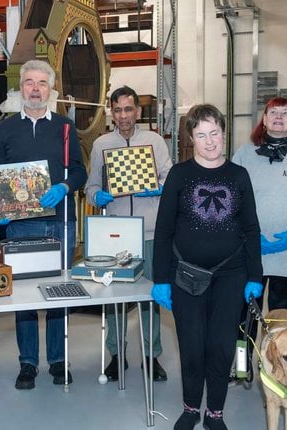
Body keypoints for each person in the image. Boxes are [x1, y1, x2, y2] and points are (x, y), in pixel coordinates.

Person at [152, 104, 263, 430]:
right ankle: (190, 409)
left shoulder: (238, 175)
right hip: (186, 275)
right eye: (201, 135)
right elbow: (164, 229)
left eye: (215, 132)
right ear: (191, 138)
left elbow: (251, 229)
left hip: (231, 275)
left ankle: (215, 412)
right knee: (192, 345)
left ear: (224, 133)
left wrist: (254, 274)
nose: (210, 141)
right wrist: (161, 278)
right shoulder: (180, 175)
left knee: (221, 346)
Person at [0, 59, 87, 390]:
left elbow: (79, 170)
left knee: (60, 294)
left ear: (51, 89)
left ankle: (59, 361)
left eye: (42, 83)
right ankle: (28, 363)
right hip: (21, 225)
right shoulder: (4, 129)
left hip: (60, 222)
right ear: (21, 88)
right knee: (25, 298)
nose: (35, 89)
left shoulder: (64, 127)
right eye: (29, 83)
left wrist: (64, 187)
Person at [84, 85, 172, 382]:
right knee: (115, 298)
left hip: (150, 232)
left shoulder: (155, 141)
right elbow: (91, 186)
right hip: (118, 235)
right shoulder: (101, 145)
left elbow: (170, 177)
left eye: (129, 109)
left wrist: (161, 187)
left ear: (138, 111)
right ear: (112, 111)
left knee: (152, 296)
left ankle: (151, 356)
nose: (124, 115)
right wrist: (98, 198)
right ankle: (116, 355)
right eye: (118, 109)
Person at [231, 97, 287, 312]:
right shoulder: (244, 154)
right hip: (250, 250)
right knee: (246, 317)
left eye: (285, 113)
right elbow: (231, 201)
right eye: (273, 112)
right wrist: (247, 235)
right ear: (264, 119)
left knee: (280, 318)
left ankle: (276, 348)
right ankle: (246, 348)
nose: (279, 117)